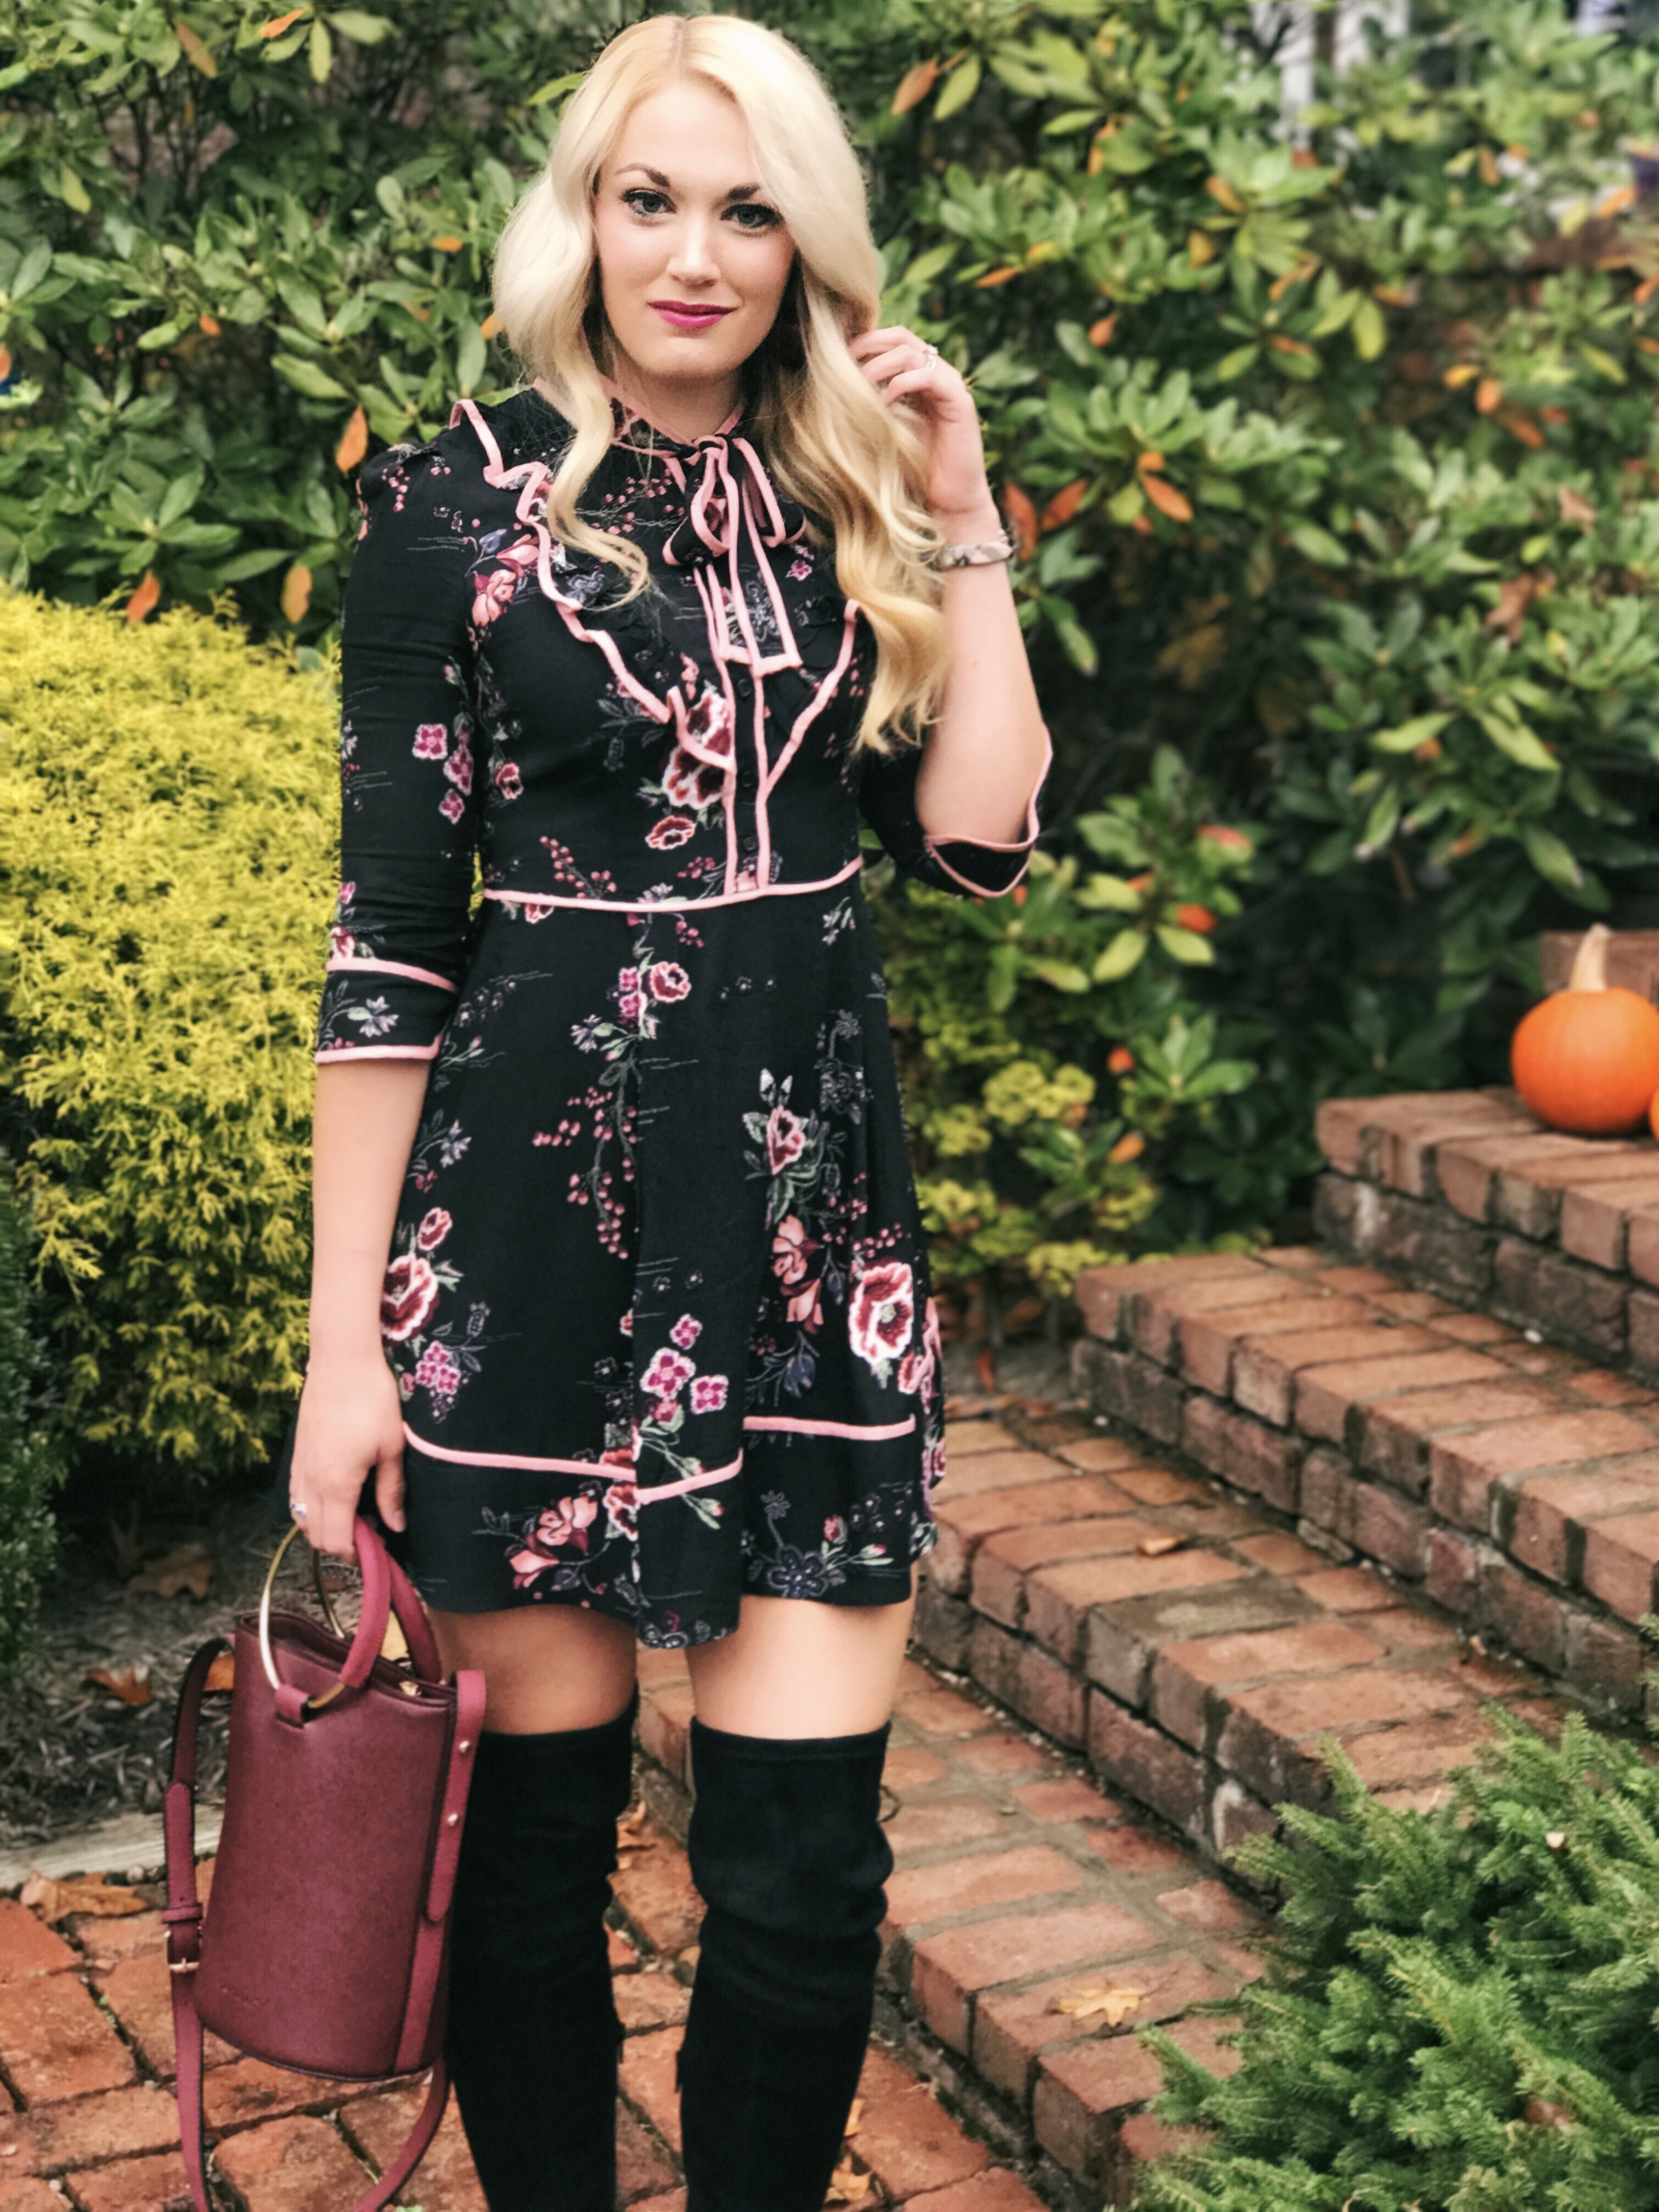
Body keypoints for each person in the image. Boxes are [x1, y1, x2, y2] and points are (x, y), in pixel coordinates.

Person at [287, 15, 1048, 2209]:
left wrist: (968, 510)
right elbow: (385, 948)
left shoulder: (850, 485)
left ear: (806, 236)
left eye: (746, 207)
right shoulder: (455, 497)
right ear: (584, 214)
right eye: (651, 198)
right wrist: (350, 1355)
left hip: (812, 1251)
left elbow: (986, 839)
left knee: (804, 1892)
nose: (695, 253)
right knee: (526, 1885)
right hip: (520, 1253)